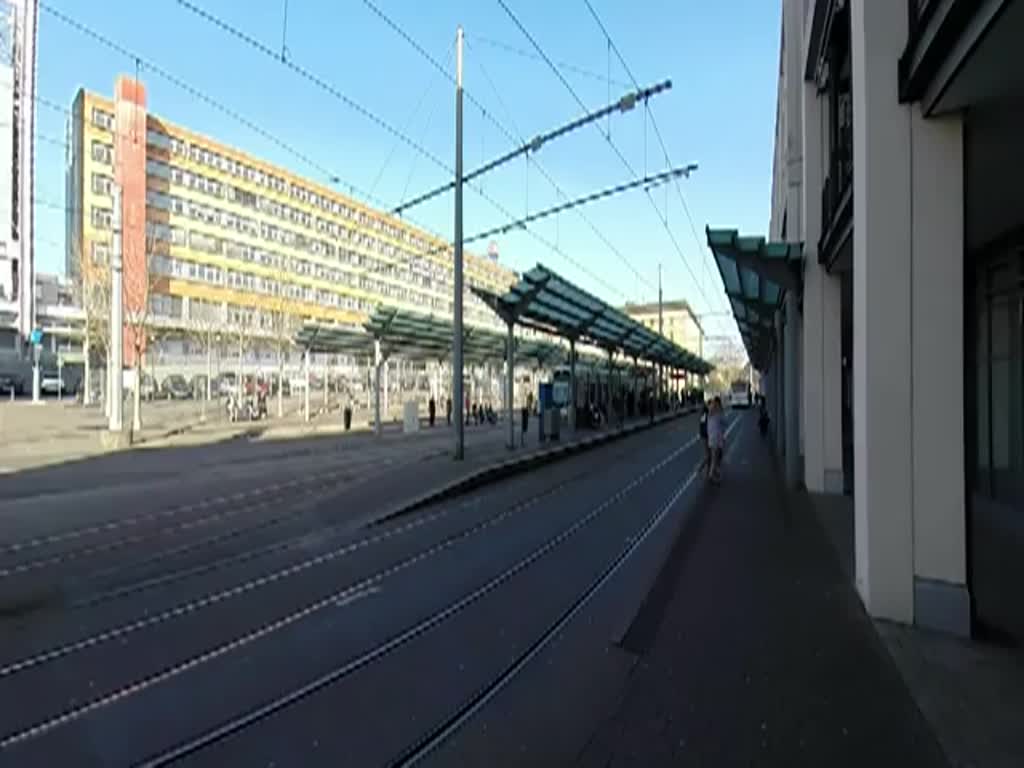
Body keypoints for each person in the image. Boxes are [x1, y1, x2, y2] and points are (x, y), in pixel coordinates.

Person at [707, 396, 726, 483]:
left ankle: (714, 472)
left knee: (715, 456)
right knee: (715, 457)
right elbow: (724, 422)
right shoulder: (718, 413)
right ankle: (711, 474)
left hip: (712, 438)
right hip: (717, 438)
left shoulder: (710, 413)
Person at [698, 401, 711, 476]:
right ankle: (700, 468)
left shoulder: (705, 415)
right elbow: (703, 426)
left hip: (706, 436)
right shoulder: (705, 415)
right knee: (708, 455)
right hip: (706, 436)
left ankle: (708, 471)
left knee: (710, 455)